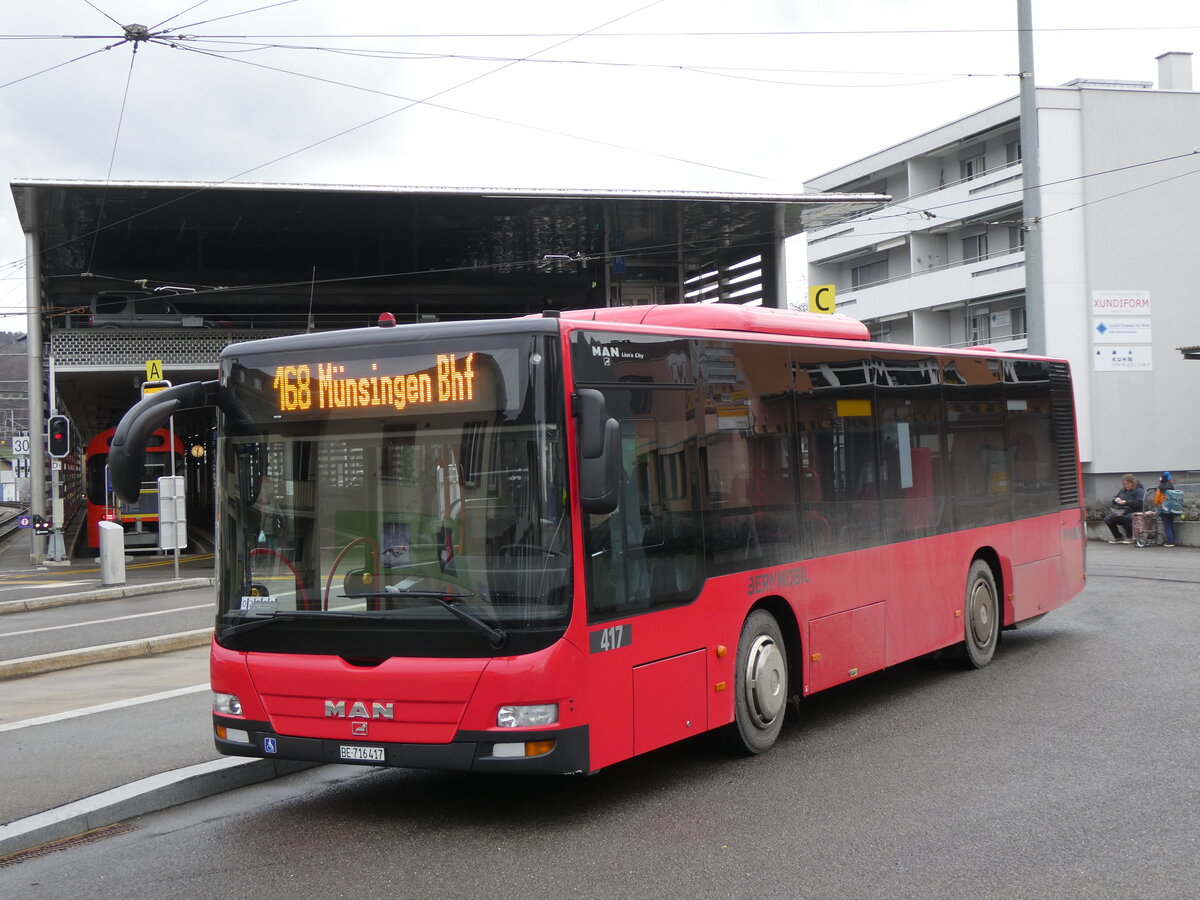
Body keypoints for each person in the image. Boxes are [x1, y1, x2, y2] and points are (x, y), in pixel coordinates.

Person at [1105, 474, 1144, 543]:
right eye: (1125, 484)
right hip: (1122, 510)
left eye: (1128, 484)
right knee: (1108, 519)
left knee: (1126, 518)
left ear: (1133, 483)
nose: (1126, 486)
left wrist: (1126, 502)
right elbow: (1114, 498)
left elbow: (1139, 503)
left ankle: (1131, 537)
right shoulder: (1122, 490)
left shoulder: (1139, 491)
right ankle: (1118, 537)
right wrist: (1115, 500)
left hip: (1134, 510)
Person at [1154, 471, 1184, 547]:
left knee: (1167, 525)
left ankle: (1170, 541)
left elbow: (1156, 500)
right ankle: (1173, 540)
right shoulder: (1172, 487)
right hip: (1172, 509)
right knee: (1171, 525)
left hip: (1164, 509)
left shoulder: (1160, 488)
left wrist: (1158, 505)